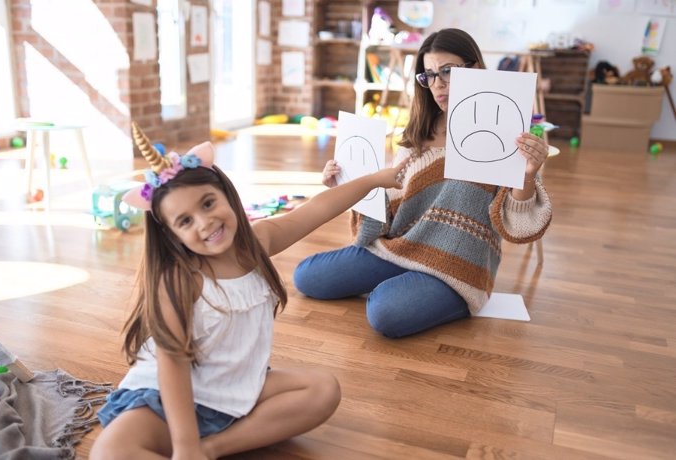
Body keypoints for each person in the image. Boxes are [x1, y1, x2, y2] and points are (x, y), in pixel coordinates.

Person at [90, 124, 408, 460]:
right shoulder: (177, 280)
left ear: (227, 194)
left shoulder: (258, 243)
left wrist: (375, 180)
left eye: (208, 203)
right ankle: (190, 447)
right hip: (169, 397)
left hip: (236, 387)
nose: (205, 222)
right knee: (109, 451)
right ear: (172, 236)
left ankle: (212, 448)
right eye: (185, 221)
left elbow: (318, 208)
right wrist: (184, 445)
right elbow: (172, 368)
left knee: (323, 389)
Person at [294, 28, 553, 338]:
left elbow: (517, 225)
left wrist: (526, 174)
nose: (438, 84)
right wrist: (346, 185)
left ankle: (428, 292)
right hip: (402, 247)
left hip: (457, 267)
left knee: (384, 312)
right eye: (428, 75)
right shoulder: (417, 134)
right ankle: (407, 283)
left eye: (448, 71)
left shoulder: (504, 131)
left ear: (476, 68)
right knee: (306, 277)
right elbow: (390, 207)